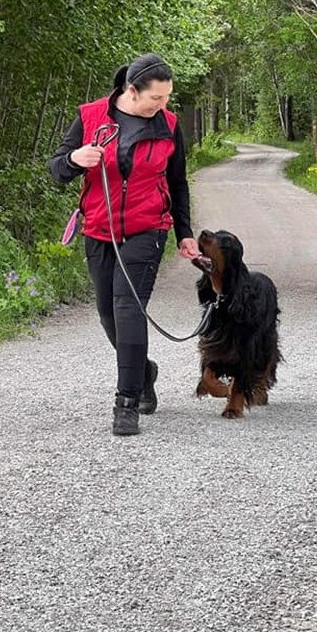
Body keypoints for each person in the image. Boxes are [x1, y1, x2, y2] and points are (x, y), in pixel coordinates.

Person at [48, 53, 200, 436]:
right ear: (132, 91)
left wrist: (184, 232)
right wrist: (75, 158)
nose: (163, 106)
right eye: (156, 99)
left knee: (128, 308)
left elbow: (178, 182)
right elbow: (56, 170)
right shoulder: (91, 117)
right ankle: (144, 371)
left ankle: (126, 403)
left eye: (167, 98)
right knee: (107, 313)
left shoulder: (168, 125)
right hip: (98, 228)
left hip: (148, 228)